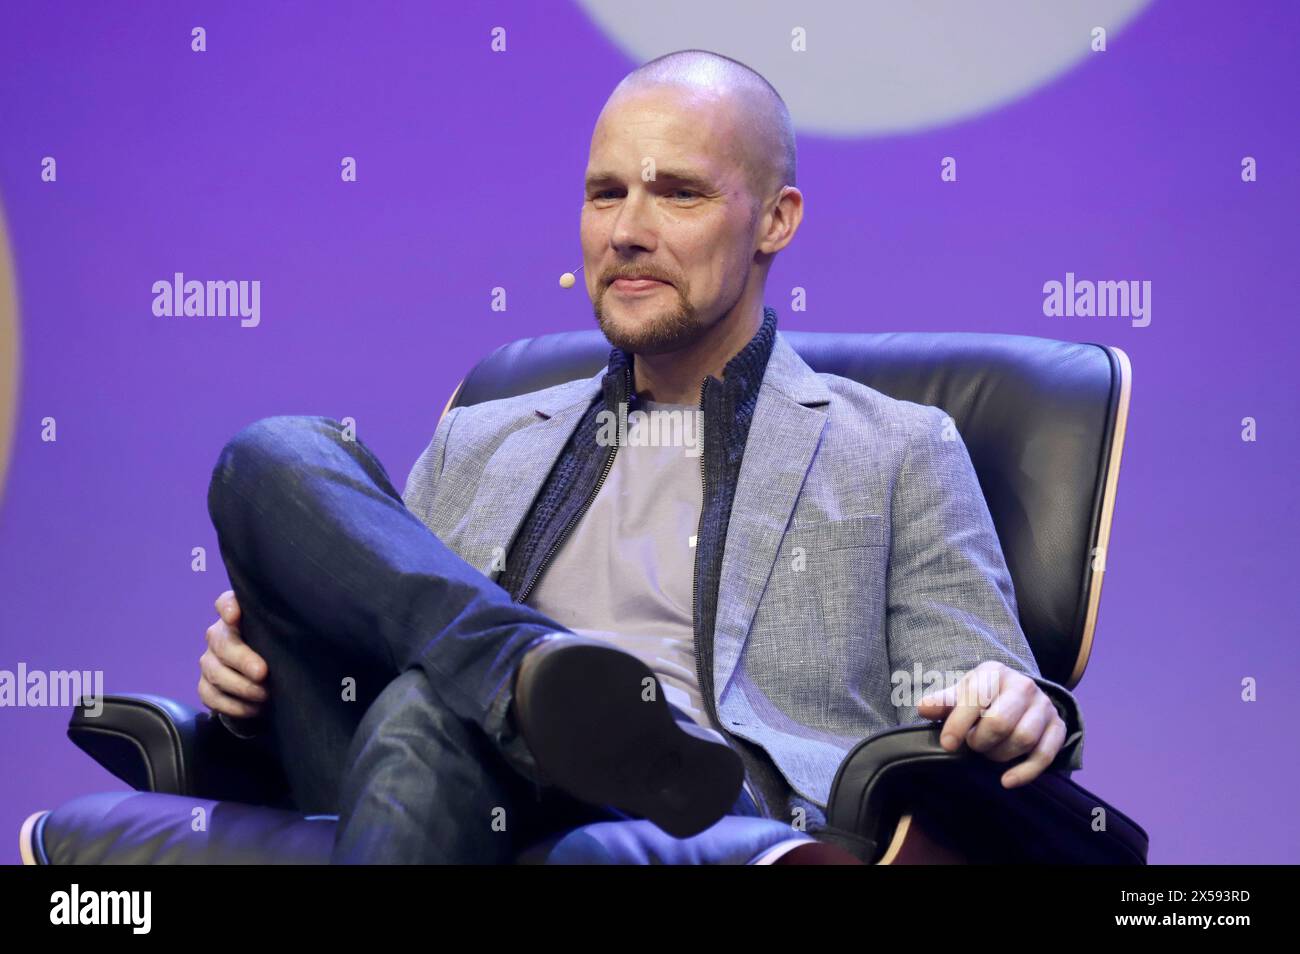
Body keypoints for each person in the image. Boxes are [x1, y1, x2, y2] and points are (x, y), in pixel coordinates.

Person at [198, 49, 1084, 865]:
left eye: (679, 194)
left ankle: (553, 696)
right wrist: (257, 688)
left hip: (700, 799)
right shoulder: (480, 437)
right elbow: (386, 645)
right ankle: (523, 675)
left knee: (429, 707)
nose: (626, 230)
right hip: (441, 766)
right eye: (604, 193)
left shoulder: (895, 448)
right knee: (271, 453)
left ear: (776, 220)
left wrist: (1008, 698)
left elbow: (973, 683)